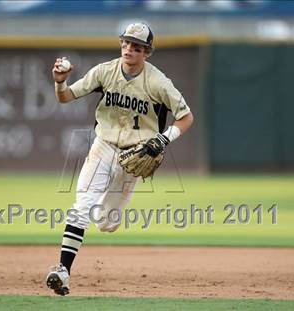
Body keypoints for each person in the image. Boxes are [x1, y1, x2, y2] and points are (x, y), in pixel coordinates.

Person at [46, 22, 194, 296]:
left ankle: (102, 219)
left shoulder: (159, 82)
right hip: (103, 147)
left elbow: (186, 117)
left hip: (134, 155)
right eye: (126, 43)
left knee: (106, 221)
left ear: (147, 52)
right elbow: (66, 97)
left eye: (136, 47)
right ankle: (63, 271)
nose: (129, 49)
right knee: (82, 205)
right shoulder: (104, 71)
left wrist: (163, 138)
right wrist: (59, 81)